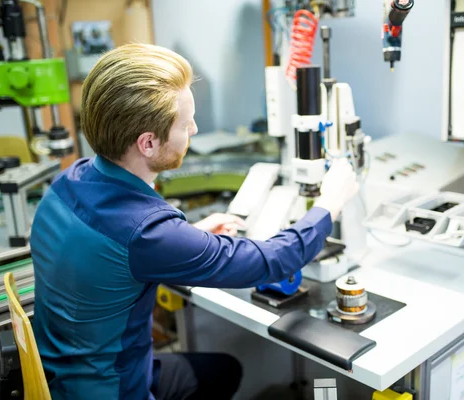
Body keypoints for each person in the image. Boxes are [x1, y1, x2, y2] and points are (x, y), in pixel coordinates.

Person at [30, 43, 359, 400]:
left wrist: (189, 236)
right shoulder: (148, 233)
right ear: (148, 143)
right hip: (114, 389)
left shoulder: (67, 182)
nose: (195, 130)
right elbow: (274, 261)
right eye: (186, 124)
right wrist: (329, 204)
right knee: (224, 372)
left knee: (221, 371)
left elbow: (111, 252)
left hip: (66, 376)